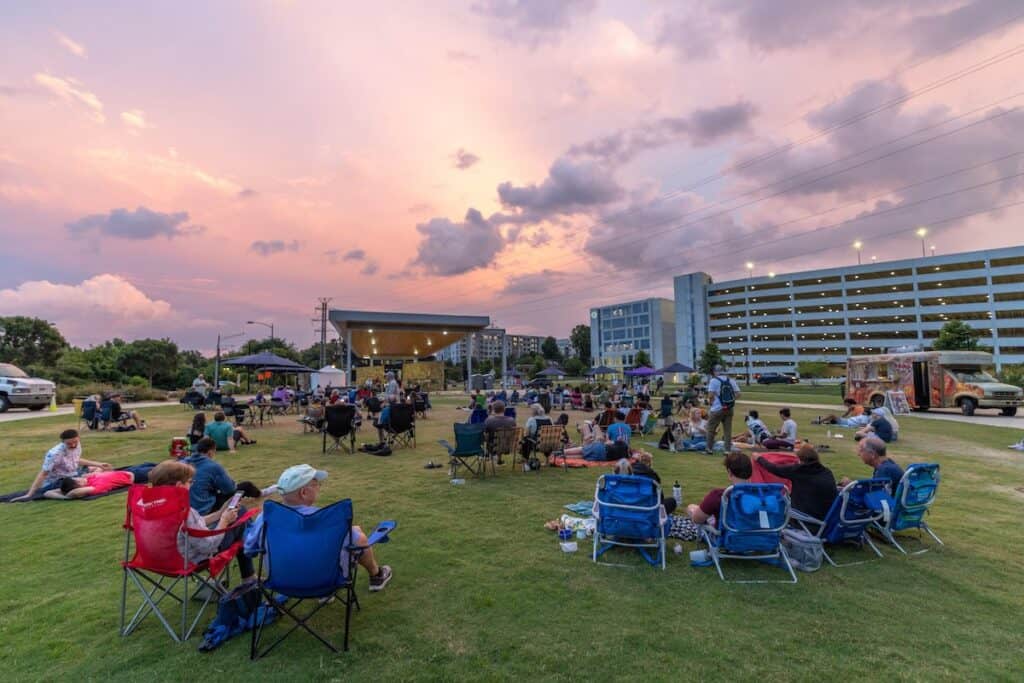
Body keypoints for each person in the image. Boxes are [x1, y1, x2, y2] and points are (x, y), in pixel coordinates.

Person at [244, 464, 392, 591]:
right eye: (316, 484)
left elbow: (250, 549)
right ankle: (376, 575)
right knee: (358, 536)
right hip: (326, 580)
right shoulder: (325, 520)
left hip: (281, 580)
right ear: (303, 492)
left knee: (348, 535)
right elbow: (358, 541)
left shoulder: (265, 518)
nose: (319, 488)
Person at [147, 460, 255, 583]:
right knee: (241, 516)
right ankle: (249, 577)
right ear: (179, 486)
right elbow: (208, 546)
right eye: (189, 482)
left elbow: (186, 526)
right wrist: (224, 520)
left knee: (234, 518)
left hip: (159, 561)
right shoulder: (185, 511)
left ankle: (247, 575)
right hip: (190, 560)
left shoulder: (149, 507)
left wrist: (218, 514)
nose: (191, 485)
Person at [12, 429, 112, 501]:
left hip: (73, 473)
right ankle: (68, 496)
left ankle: (86, 478)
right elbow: (43, 474)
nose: (73, 445)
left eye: (75, 442)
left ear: (78, 438)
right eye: (69, 443)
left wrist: (99, 464)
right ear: (63, 442)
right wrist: (30, 494)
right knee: (86, 481)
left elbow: (76, 460)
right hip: (59, 480)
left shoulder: (77, 444)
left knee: (99, 468)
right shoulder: (54, 454)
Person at [755, 445, 837, 521]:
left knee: (779, 501)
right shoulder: (826, 472)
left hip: (807, 521)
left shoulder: (799, 471)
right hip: (827, 518)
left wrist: (759, 458)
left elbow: (774, 468)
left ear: (801, 460)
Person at [686, 451, 753, 525]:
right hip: (756, 534)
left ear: (730, 472)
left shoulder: (719, 495)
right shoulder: (762, 495)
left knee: (691, 507)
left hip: (727, 534)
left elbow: (697, 519)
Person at [185, 437, 241, 514]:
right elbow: (229, 489)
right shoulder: (212, 466)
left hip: (183, 508)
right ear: (210, 452)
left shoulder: (181, 462)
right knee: (241, 492)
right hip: (203, 508)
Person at [704, 365, 740, 456]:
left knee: (710, 429)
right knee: (727, 430)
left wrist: (711, 403)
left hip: (717, 409)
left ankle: (709, 449)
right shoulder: (731, 380)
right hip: (729, 409)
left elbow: (711, 395)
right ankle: (727, 450)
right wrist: (730, 401)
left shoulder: (714, 380)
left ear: (715, 372)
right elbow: (738, 394)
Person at [48, 468, 138, 500]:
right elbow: (74, 493)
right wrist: (66, 497)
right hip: (135, 475)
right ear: (78, 486)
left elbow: (47, 492)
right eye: (77, 481)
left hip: (128, 471)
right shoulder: (95, 487)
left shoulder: (87, 478)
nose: (78, 478)